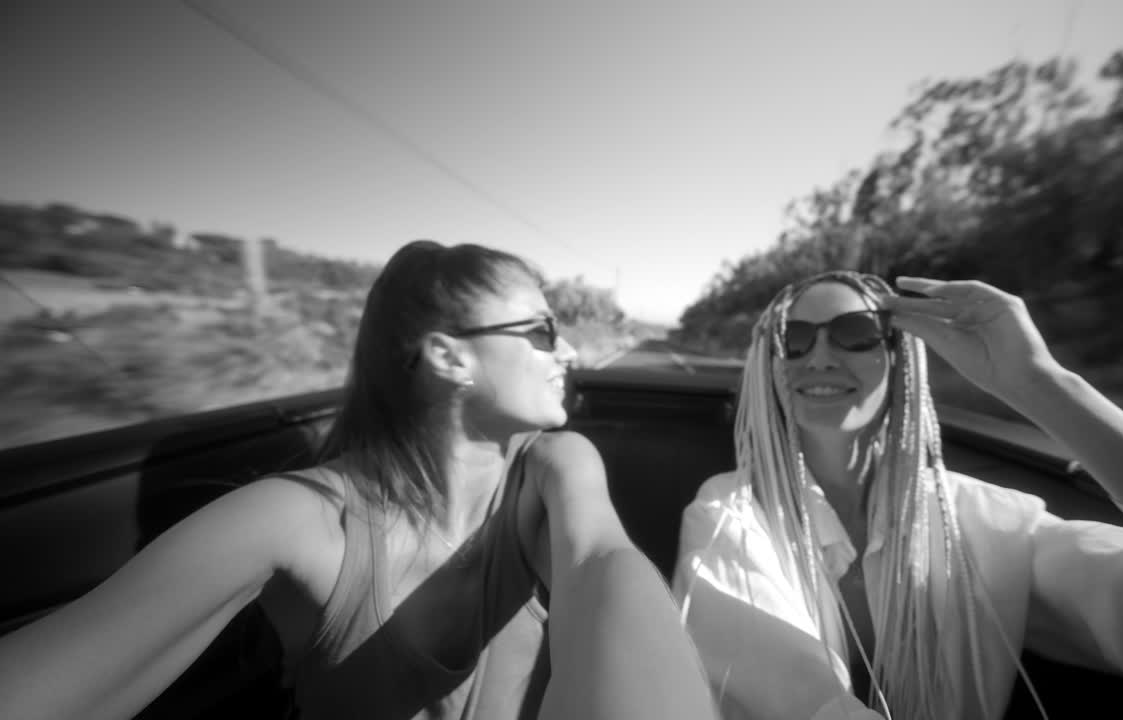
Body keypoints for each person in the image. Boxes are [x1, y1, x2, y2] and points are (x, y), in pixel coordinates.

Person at [0, 240, 719, 720]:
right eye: (540, 331)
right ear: (449, 358)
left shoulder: (556, 467)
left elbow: (601, 563)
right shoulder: (301, 520)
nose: (571, 351)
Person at [672, 270, 1123, 720]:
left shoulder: (986, 523)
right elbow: (784, 698)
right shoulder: (728, 515)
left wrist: (1042, 384)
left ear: (902, 358)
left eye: (855, 332)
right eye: (794, 337)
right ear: (771, 365)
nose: (820, 355)